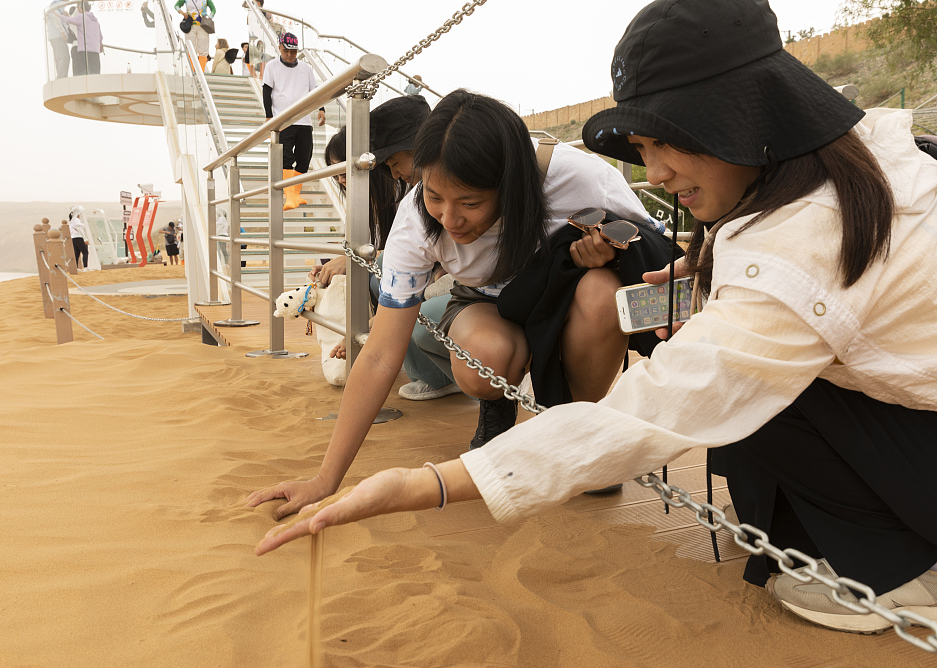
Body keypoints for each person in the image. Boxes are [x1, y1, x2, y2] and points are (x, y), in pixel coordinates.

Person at [254, 0, 937, 638]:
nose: (657, 172)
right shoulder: (845, 164)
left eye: (667, 143)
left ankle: (904, 577)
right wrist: (710, 282)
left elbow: (664, 396)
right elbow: (382, 349)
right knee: (718, 366)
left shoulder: (789, 240)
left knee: (707, 376)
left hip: (588, 307)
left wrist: (425, 484)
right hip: (511, 313)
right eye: (642, 149)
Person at [247, 88, 668, 519]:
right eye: (434, 197)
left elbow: (659, 261)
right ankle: (499, 406)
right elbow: (380, 354)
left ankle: (575, 427)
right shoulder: (415, 221)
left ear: (512, 183)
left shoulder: (576, 177)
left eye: (471, 202)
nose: (449, 220)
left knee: (601, 292)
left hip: (566, 302)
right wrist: (324, 480)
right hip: (484, 302)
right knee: (485, 357)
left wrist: (612, 255)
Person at [318, 98, 460, 400]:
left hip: (455, 284)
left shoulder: (415, 194)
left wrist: (378, 323)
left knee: (401, 295)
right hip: (433, 280)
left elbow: (435, 266)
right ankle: (424, 368)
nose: (342, 176)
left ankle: (435, 373)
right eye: (335, 171)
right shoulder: (387, 199)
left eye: (346, 166)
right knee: (385, 279)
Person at [262, 32, 326, 211]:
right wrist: (269, 117)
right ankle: (290, 197)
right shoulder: (272, 66)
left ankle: (295, 195)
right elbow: (267, 91)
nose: (289, 55)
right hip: (282, 119)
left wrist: (321, 109)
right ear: (279, 48)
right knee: (286, 158)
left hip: (304, 120)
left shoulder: (305, 68)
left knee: (305, 158)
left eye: (293, 52)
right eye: (286, 51)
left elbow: (315, 91)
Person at [60, 2, 103, 75]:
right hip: (93, 51)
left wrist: (79, 5)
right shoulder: (95, 21)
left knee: (79, 76)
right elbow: (100, 36)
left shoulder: (78, 19)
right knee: (95, 75)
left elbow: (71, 20)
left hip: (80, 50)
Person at [175, 0, 216, 72]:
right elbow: (176, 6)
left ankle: (201, 71)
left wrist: (210, 17)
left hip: (203, 26)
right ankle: (192, 71)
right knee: (190, 49)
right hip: (190, 26)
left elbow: (213, 9)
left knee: (203, 50)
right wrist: (183, 13)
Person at [46, 1, 70, 79]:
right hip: (58, 35)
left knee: (59, 58)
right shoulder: (58, 4)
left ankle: (60, 76)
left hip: (53, 36)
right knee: (64, 57)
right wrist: (62, 32)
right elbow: (55, 17)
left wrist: (63, 14)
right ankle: (62, 77)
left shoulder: (55, 4)